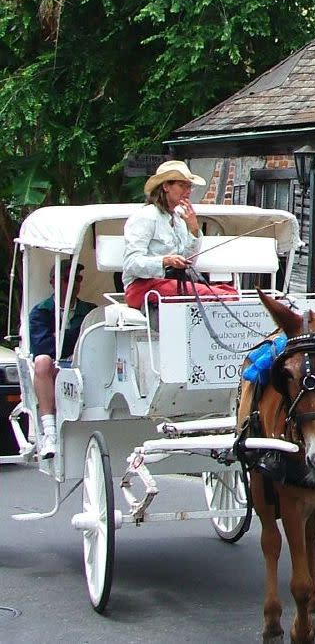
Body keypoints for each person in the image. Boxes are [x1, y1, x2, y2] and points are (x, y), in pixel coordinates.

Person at [123, 160, 238, 310]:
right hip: (142, 287)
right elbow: (131, 264)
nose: (188, 191)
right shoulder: (146, 216)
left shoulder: (178, 218)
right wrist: (166, 261)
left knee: (231, 292)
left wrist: (194, 229)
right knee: (223, 297)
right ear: (165, 186)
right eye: (182, 185)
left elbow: (189, 260)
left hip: (172, 283)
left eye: (189, 186)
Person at [29, 261, 96, 459]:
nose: (74, 283)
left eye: (78, 278)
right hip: (56, 369)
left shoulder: (90, 311)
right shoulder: (41, 312)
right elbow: (43, 348)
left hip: (83, 367)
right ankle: (49, 431)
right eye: (68, 279)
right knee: (42, 361)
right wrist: (71, 338)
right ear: (53, 282)